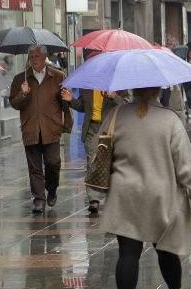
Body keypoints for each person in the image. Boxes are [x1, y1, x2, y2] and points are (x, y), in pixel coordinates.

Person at [97, 87, 191, 289]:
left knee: (128, 253)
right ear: (158, 90)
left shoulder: (116, 114)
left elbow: (99, 149)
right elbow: (184, 163)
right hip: (160, 195)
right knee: (165, 248)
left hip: (125, 193)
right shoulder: (169, 119)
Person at [61, 49, 127, 214]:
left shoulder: (117, 80)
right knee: (92, 162)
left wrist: (114, 96)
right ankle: (94, 199)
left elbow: (127, 103)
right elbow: (83, 107)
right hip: (92, 127)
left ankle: (113, 196)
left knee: (111, 163)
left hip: (111, 126)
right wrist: (71, 101)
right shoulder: (87, 84)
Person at [9, 45, 68, 213]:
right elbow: (14, 104)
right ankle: (39, 198)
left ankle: (52, 188)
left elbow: (64, 103)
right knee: (34, 167)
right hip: (31, 128)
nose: (33, 59)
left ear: (45, 57)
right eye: (31, 56)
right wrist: (23, 93)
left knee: (53, 162)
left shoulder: (58, 76)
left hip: (51, 128)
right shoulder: (21, 79)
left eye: (36, 56)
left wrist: (67, 98)